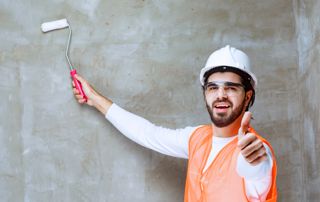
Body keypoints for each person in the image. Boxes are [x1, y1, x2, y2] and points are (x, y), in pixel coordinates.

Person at [72, 45, 277, 202]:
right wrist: (95, 99)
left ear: (248, 96)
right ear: (205, 94)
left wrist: (253, 163)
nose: (220, 95)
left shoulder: (258, 151)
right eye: (213, 87)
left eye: (231, 88)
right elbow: (147, 133)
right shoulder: (197, 138)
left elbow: (257, 176)